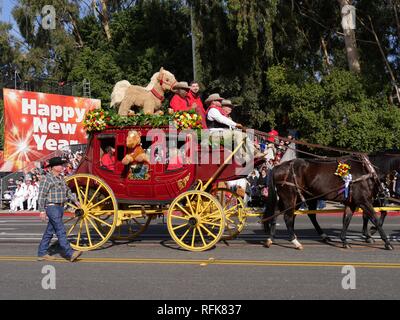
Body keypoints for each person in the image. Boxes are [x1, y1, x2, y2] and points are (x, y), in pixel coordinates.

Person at [37, 157, 83, 262]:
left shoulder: (61, 178)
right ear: (53, 167)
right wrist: (42, 210)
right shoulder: (47, 179)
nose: (62, 167)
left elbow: (67, 192)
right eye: (59, 165)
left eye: (61, 165)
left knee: (49, 231)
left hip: (60, 207)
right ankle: (69, 253)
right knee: (60, 230)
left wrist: (75, 201)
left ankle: (42, 253)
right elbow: (41, 195)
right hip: (52, 207)